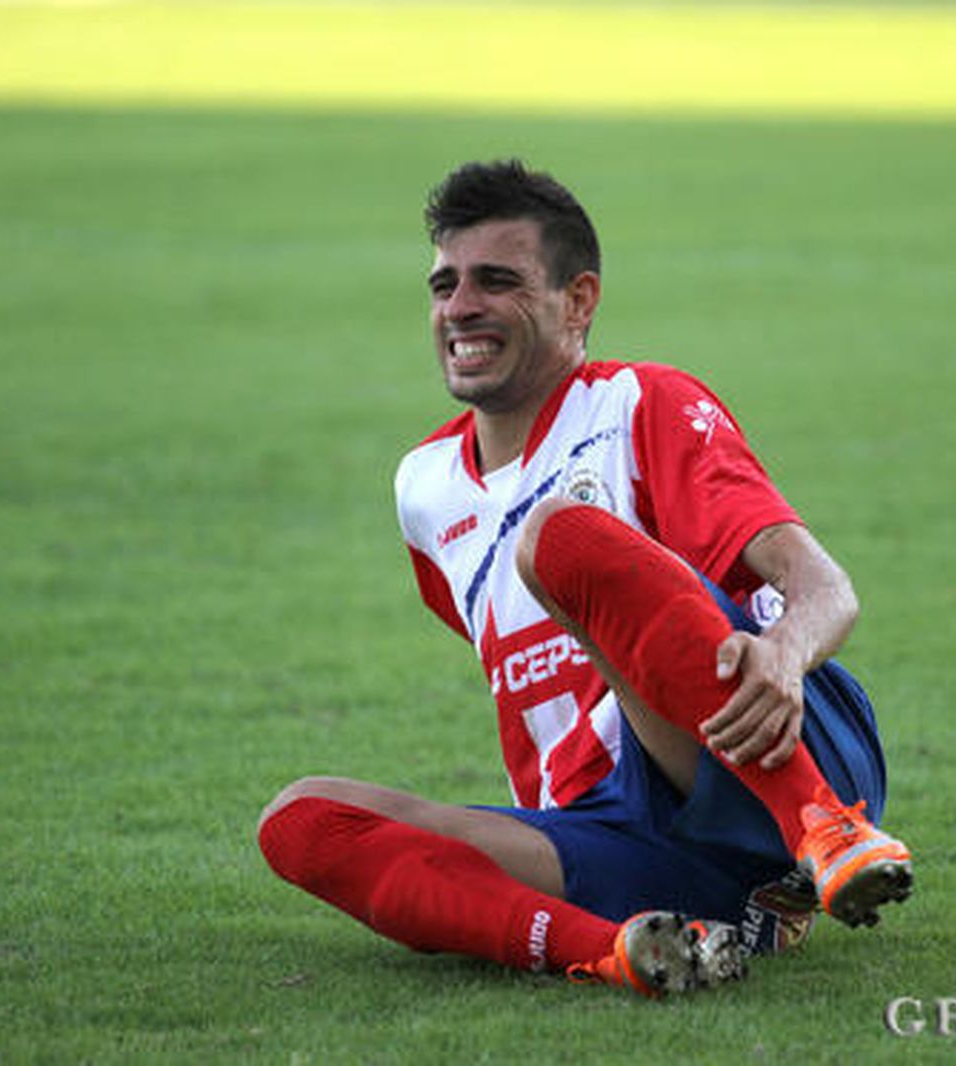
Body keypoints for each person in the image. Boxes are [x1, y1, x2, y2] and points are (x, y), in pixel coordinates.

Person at [257, 159, 913, 997]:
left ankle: (823, 832)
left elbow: (827, 589)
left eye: (497, 281)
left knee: (558, 541)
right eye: (446, 284)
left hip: (772, 749)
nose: (461, 307)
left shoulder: (642, 403)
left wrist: (783, 654)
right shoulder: (423, 489)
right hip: (615, 835)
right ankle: (626, 950)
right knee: (305, 823)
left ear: (579, 301)